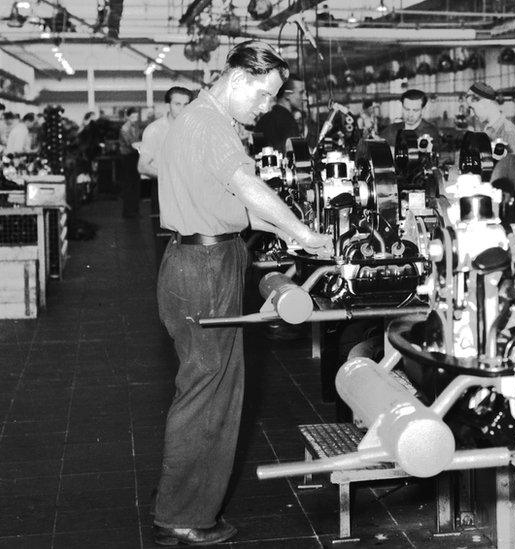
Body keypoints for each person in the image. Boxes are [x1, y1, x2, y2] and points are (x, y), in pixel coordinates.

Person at [152, 40, 329, 546]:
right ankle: (181, 517)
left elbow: (231, 204)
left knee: (212, 387)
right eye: (265, 95)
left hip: (201, 259)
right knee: (208, 392)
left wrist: (283, 232)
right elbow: (249, 189)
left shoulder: (203, 122)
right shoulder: (209, 125)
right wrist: (300, 232)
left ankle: (187, 509)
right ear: (237, 80)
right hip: (204, 268)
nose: (268, 106)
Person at [138, 86, 193, 178]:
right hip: (159, 185)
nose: (183, 109)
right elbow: (142, 167)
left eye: (186, 104)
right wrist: (170, 177)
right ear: (168, 106)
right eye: (177, 104)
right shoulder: (155, 130)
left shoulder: (191, 129)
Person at [467, 82, 515, 153]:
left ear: (485, 103)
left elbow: (511, 162)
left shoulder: (508, 130)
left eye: (472, 108)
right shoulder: (488, 129)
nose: (472, 114)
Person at [253, 77, 304, 153]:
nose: (304, 97)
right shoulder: (288, 122)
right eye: (301, 92)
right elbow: (296, 155)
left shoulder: (262, 120)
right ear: (287, 95)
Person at [119, 108, 142, 218]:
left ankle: (134, 210)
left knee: (135, 184)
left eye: (136, 117)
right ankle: (128, 211)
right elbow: (132, 143)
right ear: (127, 117)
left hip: (134, 156)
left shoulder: (135, 127)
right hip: (127, 157)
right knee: (129, 184)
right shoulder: (124, 129)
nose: (135, 119)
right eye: (133, 117)